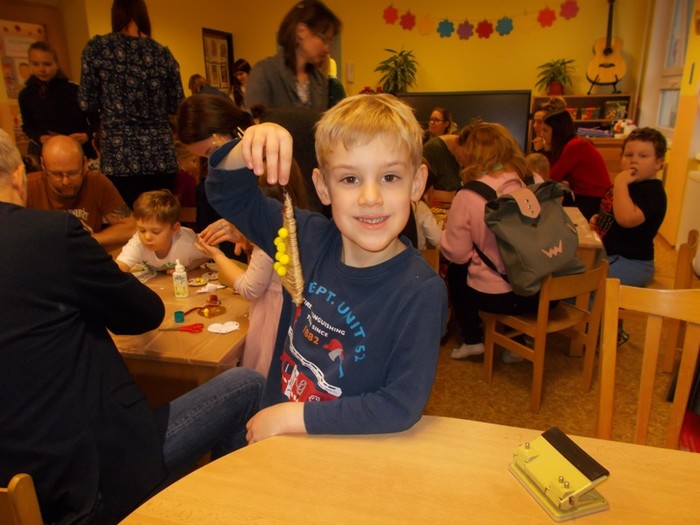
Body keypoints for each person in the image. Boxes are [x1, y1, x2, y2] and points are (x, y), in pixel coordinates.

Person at [0, 129, 264, 524]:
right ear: (21, 175)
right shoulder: (49, 235)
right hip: (88, 481)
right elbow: (143, 313)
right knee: (247, 383)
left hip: (18, 491)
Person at [182, 93, 447, 442]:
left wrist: (295, 416)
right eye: (350, 179)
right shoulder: (303, 237)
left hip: (340, 451)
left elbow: (399, 405)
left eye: (389, 177)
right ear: (323, 187)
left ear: (416, 183)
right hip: (277, 433)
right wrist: (250, 144)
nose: (370, 198)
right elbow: (229, 194)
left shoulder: (421, 291)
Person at [441, 122, 543, 362]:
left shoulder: (469, 194)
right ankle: (517, 340)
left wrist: (444, 233)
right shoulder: (534, 180)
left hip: (500, 297)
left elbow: (457, 253)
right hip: (542, 290)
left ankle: (472, 339)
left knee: (457, 271)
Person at [196, 165, 309, 377]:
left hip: (272, 324)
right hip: (287, 317)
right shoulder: (297, 225)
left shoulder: (269, 238)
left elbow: (249, 288)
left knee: (263, 377)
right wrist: (247, 239)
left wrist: (217, 255)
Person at [78, 0, 185, 208]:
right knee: (160, 218)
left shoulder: (98, 49)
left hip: (119, 152)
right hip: (159, 151)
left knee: (124, 218)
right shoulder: (162, 54)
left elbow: (86, 102)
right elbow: (176, 104)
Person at [26, 135, 135, 248]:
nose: (66, 181)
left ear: (84, 163)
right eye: (56, 174)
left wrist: (86, 240)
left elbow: (130, 227)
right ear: (43, 165)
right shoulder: (27, 187)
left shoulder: (97, 182)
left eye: (73, 173)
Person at [591, 128, 668, 289]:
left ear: (658, 163)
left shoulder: (653, 191)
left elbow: (626, 219)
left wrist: (620, 182)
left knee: (585, 287)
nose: (634, 161)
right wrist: (600, 220)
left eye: (643, 156)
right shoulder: (627, 185)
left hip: (633, 263)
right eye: (628, 155)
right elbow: (612, 210)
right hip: (609, 255)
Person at [246, 0, 341, 113]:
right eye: (324, 39)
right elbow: (255, 121)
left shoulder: (320, 80)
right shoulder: (264, 72)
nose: (327, 49)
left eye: (330, 42)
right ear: (301, 31)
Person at [18, 41, 95, 164]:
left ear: (57, 64)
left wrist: (87, 135)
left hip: (79, 150)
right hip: (46, 152)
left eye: (47, 64)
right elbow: (28, 125)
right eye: (36, 64)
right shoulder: (25, 95)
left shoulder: (75, 90)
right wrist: (39, 137)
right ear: (30, 64)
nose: (41, 69)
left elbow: (96, 120)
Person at [116, 189, 208, 272]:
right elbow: (119, 267)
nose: (147, 237)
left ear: (175, 229)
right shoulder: (137, 243)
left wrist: (189, 267)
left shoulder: (187, 244)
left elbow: (209, 254)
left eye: (155, 232)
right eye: (142, 230)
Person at [543, 109, 611, 220]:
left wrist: (544, 151)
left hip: (594, 198)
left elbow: (552, 176)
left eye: (545, 131)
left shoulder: (575, 145)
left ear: (557, 131)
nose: (542, 135)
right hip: (585, 195)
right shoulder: (572, 144)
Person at [422, 125, 473, 192]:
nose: (467, 162)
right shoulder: (434, 150)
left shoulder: (461, 157)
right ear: (457, 140)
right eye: (465, 155)